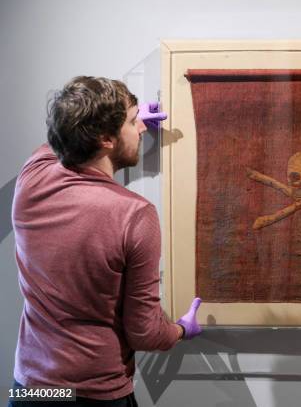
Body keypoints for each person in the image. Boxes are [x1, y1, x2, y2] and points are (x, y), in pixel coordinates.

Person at [10, 76, 202, 407]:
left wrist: (127, 116)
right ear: (104, 138)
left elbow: (61, 133)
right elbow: (145, 332)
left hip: (32, 388)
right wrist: (182, 330)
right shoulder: (134, 214)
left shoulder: (32, 177)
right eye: (132, 122)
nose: (140, 128)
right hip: (95, 394)